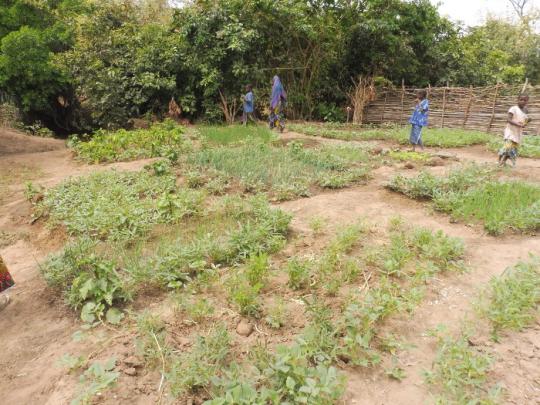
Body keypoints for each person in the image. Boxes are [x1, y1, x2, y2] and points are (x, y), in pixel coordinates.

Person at [498, 94, 530, 167]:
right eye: (521, 100)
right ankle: (499, 161)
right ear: (517, 100)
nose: (523, 101)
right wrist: (518, 124)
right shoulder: (513, 108)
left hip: (518, 132)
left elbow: (524, 121)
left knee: (512, 149)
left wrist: (527, 122)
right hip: (510, 131)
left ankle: (502, 162)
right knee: (507, 147)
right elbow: (508, 119)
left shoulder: (525, 110)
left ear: (527, 101)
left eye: (525, 100)